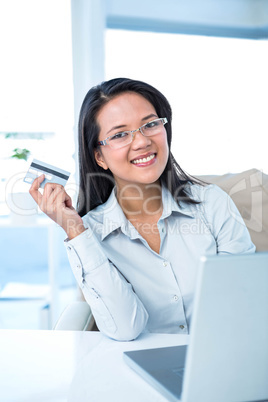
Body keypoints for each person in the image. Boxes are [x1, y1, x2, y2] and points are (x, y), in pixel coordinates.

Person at [30, 78, 255, 341]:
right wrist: (75, 230)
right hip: (135, 366)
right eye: (120, 134)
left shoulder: (213, 203)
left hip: (219, 357)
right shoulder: (88, 234)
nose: (141, 142)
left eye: (150, 124)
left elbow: (243, 304)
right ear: (99, 157)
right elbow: (126, 329)